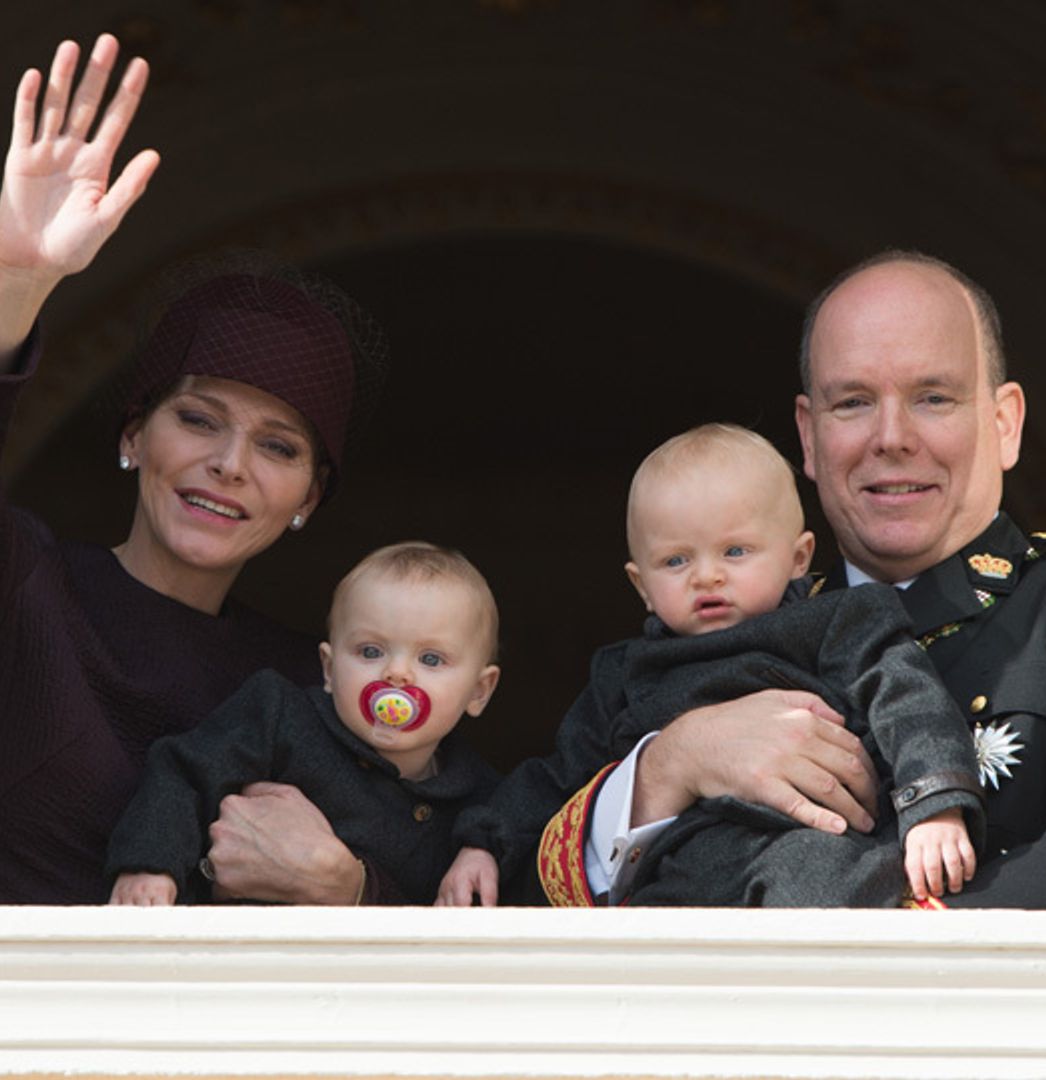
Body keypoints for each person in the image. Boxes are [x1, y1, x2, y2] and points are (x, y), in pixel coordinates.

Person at [536, 249, 1046, 910]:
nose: (891, 436)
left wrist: (858, 929)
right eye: (852, 402)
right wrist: (671, 765)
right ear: (809, 437)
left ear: (1005, 423)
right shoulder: (734, 617)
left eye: (932, 397)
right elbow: (505, 888)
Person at [0, 34, 391, 904]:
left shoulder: (320, 682)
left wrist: (348, 887)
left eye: (279, 447)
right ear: (135, 433)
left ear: (308, 498)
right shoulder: (28, 586)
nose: (228, 464)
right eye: (198, 419)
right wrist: (15, 285)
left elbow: (457, 881)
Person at [440, 424, 983, 908]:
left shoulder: (839, 624)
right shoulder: (626, 673)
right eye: (676, 560)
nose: (706, 576)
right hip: (678, 871)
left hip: (812, 844)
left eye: (735, 552)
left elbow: (908, 703)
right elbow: (555, 778)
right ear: (642, 587)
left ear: (798, 558)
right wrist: (485, 843)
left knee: (820, 885)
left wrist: (933, 803)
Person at [107, 542, 502, 906]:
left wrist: (481, 849)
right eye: (370, 651)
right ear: (329, 669)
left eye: (431, 659)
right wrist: (150, 863)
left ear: (479, 692)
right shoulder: (279, 716)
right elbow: (184, 772)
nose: (396, 673)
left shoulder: (480, 800)